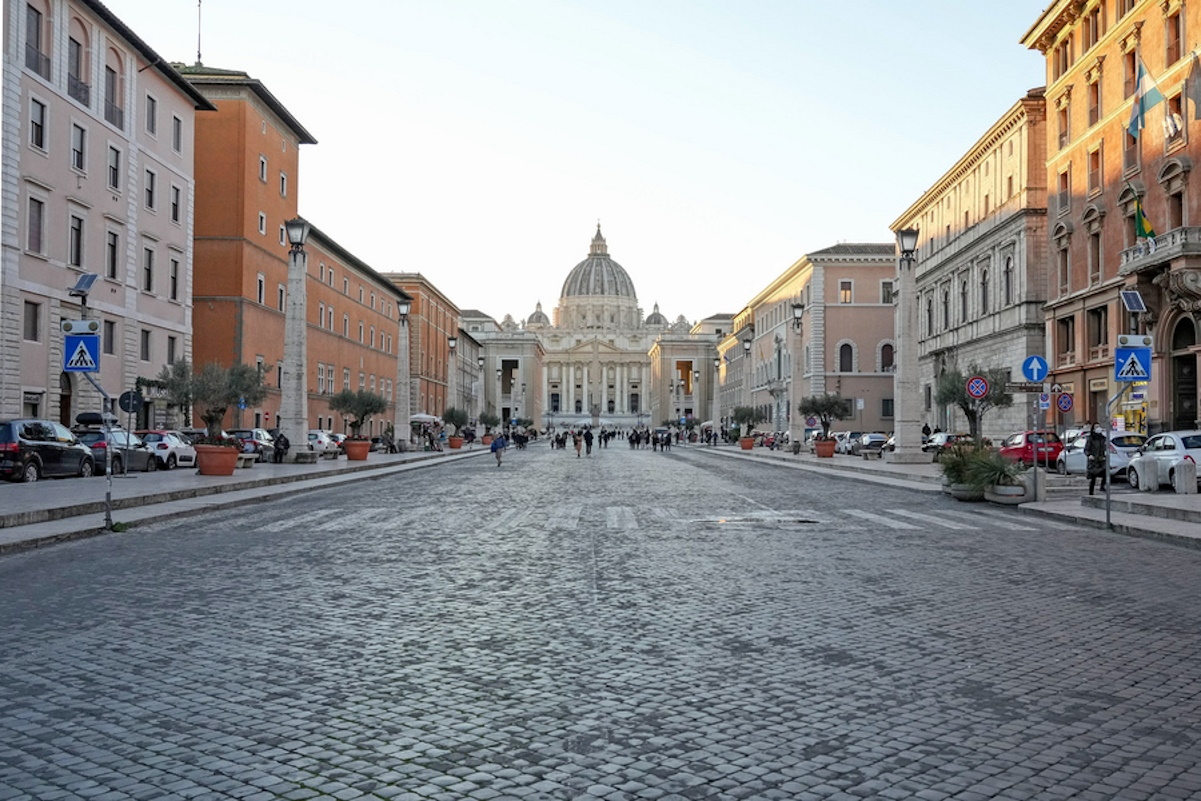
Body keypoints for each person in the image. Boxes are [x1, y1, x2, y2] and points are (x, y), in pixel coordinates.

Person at [1085, 424, 1108, 495]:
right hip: (1093, 460)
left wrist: (1105, 454)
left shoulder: (1103, 438)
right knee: (1093, 477)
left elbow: (1105, 447)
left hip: (1101, 459)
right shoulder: (1091, 438)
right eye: (1096, 427)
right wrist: (1089, 455)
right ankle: (1091, 492)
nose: (1099, 428)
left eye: (1099, 426)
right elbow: (1086, 449)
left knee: (1105, 473)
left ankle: (1102, 486)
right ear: (1093, 429)